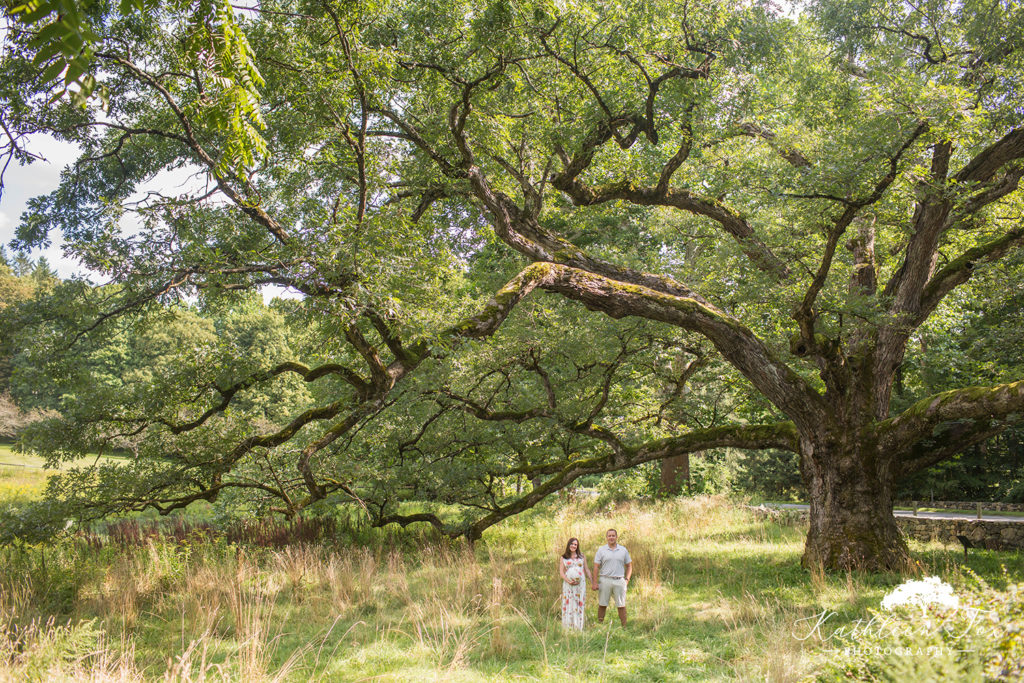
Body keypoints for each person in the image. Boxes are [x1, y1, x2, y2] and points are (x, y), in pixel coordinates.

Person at [592, 528, 632, 626]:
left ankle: (624, 627)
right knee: (602, 604)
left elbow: (629, 566)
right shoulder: (601, 550)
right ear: (606, 537)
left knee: (621, 605)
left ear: (616, 537)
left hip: (619, 580)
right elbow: (596, 567)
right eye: (609, 536)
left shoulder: (623, 550)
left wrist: (626, 579)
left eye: (613, 535)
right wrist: (594, 582)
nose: (611, 537)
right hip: (605, 580)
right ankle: (600, 625)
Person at [559, 537, 589, 630]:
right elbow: (561, 572)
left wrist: (593, 581)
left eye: (575, 544)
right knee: (569, 603)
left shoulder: (582, 556)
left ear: (577, 546)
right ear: (569, 545)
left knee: (579, 602)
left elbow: (586, 569)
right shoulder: (564, 557)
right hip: (568, 585)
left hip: (580, 585)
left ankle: (578, 626)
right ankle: (568, 626)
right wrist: (568, 580)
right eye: (572, 544)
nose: (573, 546)